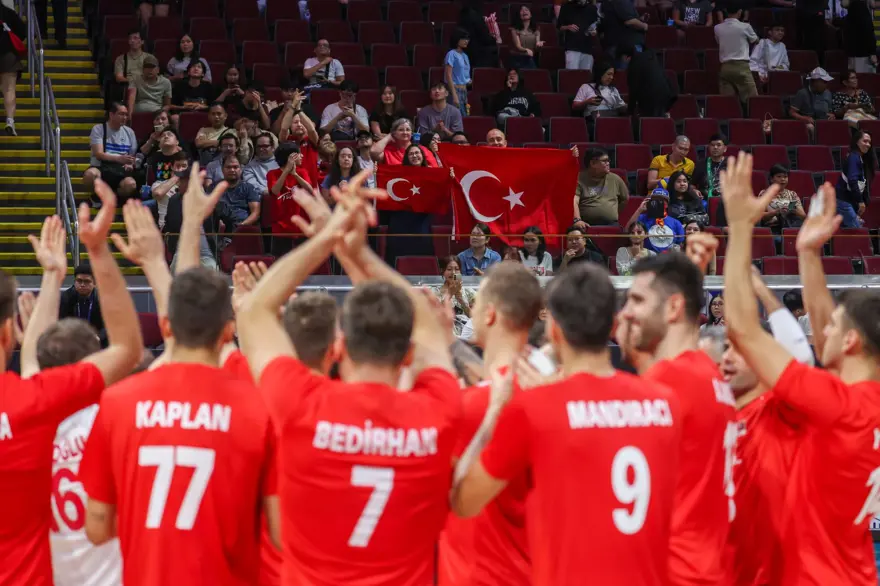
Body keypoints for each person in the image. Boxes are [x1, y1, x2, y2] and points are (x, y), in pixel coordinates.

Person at [236, 172, 461, 585]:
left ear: (338, 349)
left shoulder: (302, 404)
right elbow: (428, 325)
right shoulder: (438, 410)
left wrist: (330, 237)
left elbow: (253, 310)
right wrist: (358, 252)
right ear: (408, 355)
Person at [451, 263, 682, 585]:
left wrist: (494, 412)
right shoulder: (666, 403)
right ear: (614, 324)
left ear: (553, 330)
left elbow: (463, 501)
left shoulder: (534, 408)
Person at [722, 151, 880, 585]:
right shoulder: (864, 399)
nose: (821, 329)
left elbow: (744, 330)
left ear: (851, 342)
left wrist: (740, 227)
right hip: (853, 572)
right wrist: (808, 254)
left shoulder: (836, 403)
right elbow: (828, 335)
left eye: (833, 328)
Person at [79, 266, 280, 585]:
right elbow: (281, 532)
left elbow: (97, 528)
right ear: (228, 332)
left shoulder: (117, 402)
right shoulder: (259, 406)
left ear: (166, 327)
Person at [0, 185, 144, 586]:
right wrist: (88, 254)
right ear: (8, 332)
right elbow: (128, 348)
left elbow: (33, 362)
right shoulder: (37, 404)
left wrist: (52, 278)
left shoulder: (35, 399)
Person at [616, 250, 736, 586]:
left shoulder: (671, 380)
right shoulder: (707, 374)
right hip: (707, 565)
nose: (625, 313)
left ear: (672, 308)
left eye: (637, 300)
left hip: (674, 570)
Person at [438, 262, 543, 585]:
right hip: (531, 570)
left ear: (490, 314)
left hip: (478, 575)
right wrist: (448, 342)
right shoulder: (546, 385)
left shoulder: (471, 404)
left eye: (477, 302)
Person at [84, 103, 140, 203]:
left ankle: (115, 197)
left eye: (126, 114)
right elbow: (99, 154)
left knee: (131, 184)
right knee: (90, 174)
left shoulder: (129, 132)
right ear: (111, 115)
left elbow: (132, 155)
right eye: (121, 114)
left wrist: (130, 163)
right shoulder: (99, 129)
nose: (125, 117)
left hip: (120, 170)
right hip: (101, 168)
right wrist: (119, 158)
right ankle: (96, 196)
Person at [266, 142, 312, 256]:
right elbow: (275, 191)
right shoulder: (272, 174)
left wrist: (295, 174)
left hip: (300, 225)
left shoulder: (302, 172)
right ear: (291, 157)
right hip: (280, 226)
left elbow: (310, 190)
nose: (302, 156)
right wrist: (286, 171)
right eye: (299, 154)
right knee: (281, 260)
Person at [618, 43, 678, 117]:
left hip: (653, 97)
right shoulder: (649, 57)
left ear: (626, 57)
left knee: (651, 122)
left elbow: (634, 90)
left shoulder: (634, 65)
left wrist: (630, 111)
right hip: (667, 94)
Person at [574, 147, 629, 226]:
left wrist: (611, 212)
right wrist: (577, 220)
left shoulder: (615, 179)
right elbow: (574, 201)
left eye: (608, 160)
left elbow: (625, 199)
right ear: (593, 163)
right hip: (585, 224)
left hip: (611, 224)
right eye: (604, 161)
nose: (608, 163)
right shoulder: (579, 178)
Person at [715, 5, 759, 103]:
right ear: (740, 12)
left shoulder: (717, 28)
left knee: (727, 102)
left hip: (725, 68)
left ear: (725, 11)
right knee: (753, 101)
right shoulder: (745, 26)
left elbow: (719, 42)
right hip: (741, 68)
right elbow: (756, 41)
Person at [626, 189, 686, 253]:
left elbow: (680, 244)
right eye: (655, 200)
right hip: (648, 256)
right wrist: (639, 210)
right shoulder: (642, 218)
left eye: (662, 200)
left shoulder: (676, 223)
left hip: (669, 257)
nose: (658, 202)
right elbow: (627, 230)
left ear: (667, 205)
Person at [837, 129, 876, 228]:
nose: (868, 144)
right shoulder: (854, 157)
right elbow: (852, 180)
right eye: (865, 141)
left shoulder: (859, 158)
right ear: (857, 142)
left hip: (848, 202)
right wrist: (860, 201)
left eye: (869, 142)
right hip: (843, 202)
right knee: (859, 232)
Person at [429, 256, 476, 337]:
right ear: (442, 271)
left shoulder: (467, 291)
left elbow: (475, 318)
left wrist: (461, 301)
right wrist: (450, 294)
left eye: (457, 269)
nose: (453, 273)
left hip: (466, 333)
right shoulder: (433, 292)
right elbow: (433, 317)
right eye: (449, 269)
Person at [59, 263, 106, 342]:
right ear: (75, 281)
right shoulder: (65, 298)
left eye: (87, 281)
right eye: (79, 281)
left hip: (96, 339)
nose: (82, 285)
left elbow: (108, 326)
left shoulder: (102, 299)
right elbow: (61, 323)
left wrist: (98, 337)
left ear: (95, 283)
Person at [216, 154, 262, 233]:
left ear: (240, 169)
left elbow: (255, 213)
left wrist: (241, 226)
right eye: (228, 167)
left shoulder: (249, 188)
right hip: (219, 228)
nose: (232, 170)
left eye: (235, 167)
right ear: (222, 169)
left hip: (243, 228)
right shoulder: (214, 188)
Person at [0, 3, 25, 135]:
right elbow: (23, 32)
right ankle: (10, 121)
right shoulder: (8, 12)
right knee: (9, 89)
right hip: (8, 54)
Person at [371, 118, 439, 166]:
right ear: (394, 133)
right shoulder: (388, 151)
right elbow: (373, 152)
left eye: (408, 130)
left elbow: (435, 169)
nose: (405, 132)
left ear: (412, 133)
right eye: (401, 130)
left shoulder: (422, 149)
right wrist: (389, 136)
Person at [600, 0, 646, 70]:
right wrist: (645, 26)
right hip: (624, 46)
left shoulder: (610, 3)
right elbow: (629, 21)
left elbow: (621, 18)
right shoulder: (621, 1)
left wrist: (639, 19)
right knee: (625, 72)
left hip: (616, 44)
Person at [790, 68, 835, 136]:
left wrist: (831, 116)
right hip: (809, 123)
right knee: (811, 128)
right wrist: (803, 118)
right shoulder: (802, 93)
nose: (826, 85)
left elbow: (829, 112)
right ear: (815, 82)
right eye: (825, 82)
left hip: (824, 122)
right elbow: (792, 112)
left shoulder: (827, 93)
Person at [760, 163, 806, 230]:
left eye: (785, 176)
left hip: (790, 228)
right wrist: (775, 212)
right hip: (772, 230)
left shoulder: (793, 195)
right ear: (771, 179)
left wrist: (793, 210)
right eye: (779, 176)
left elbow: (803, 216)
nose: (783, 179)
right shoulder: (764, 194)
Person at [459, 0, 500, 69]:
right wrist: (494, 39)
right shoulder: (476, 16)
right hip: (476, 52)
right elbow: (484, 37)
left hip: (466, 48)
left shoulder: (463, 13)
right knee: (493, 49)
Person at [691, 134, 728, 200]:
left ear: (725, 148)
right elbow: (691, 185)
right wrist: (694, 190)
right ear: (709, 147)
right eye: (712, 145)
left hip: (726, 201)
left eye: (718, 145)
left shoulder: (731, 164)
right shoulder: (701, 164)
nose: (715, 147)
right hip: (705, 201)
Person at [445, 29, 472, 117]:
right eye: (463, 38)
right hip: (455, 89)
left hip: (464, 90)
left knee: (465, 116)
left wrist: (468, 80)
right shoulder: (451, 54)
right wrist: (454, 95)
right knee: (456, 117)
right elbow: (448, 75)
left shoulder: (465, 56)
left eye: (467, 39)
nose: (466, 41)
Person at [508, 5, 543, 70]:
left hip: (530, 58)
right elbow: (518, 46)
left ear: (531, 15)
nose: (524, 11)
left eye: (526, 10)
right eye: (522, 10)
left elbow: (536, 48)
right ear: (519, 15)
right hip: (517, 58)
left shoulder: (536, 29)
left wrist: (539, 45)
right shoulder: (514, 29)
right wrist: (526, 50)